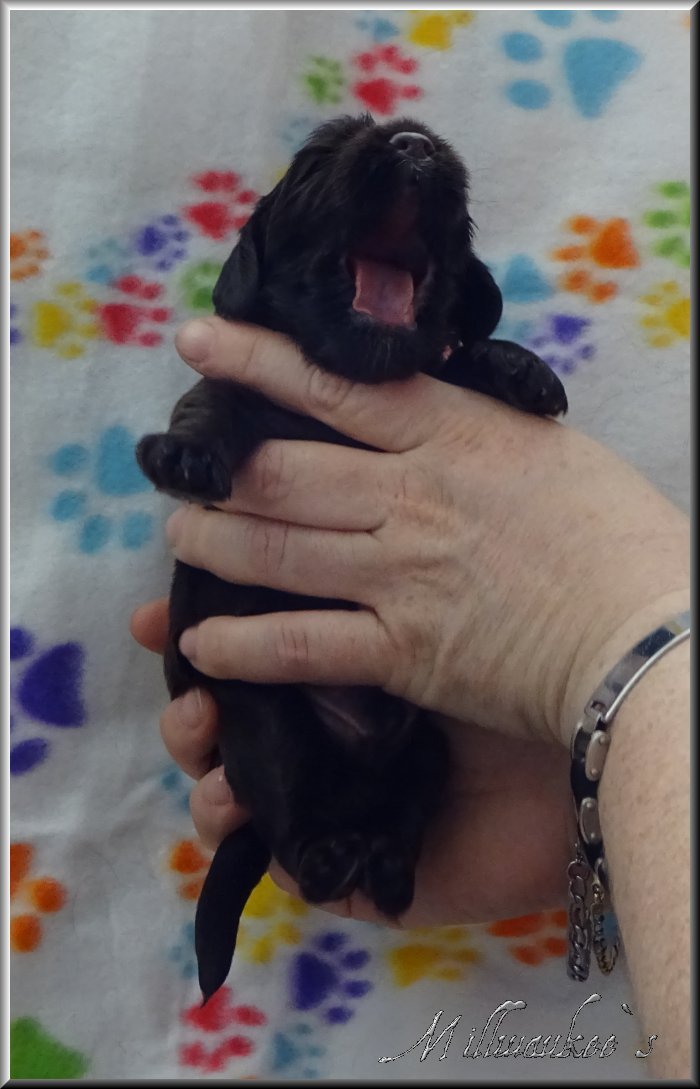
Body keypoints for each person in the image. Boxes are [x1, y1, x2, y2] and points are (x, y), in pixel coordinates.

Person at [130, 317, 690, 1079]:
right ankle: (334, 834)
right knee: (255, 705)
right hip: (325, 709)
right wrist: (601, 786)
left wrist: (630, 628)